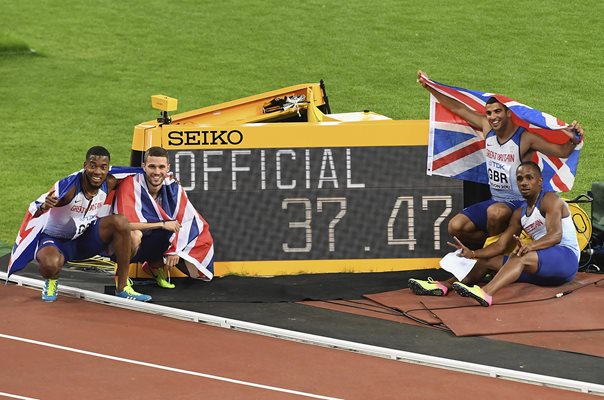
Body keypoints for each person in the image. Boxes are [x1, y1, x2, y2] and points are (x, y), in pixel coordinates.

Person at [417, 70, 584, 248]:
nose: (493, 117)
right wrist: (430, 87)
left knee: (495, 213)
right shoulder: (487, 127)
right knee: (455, 227)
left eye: (498, 112)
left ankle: (495, 257)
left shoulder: (525, 138)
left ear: (509, 113)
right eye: (489, 113)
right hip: (495, 199)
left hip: (519, 203)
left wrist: (574, 139)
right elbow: (458, 108)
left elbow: (561, 151)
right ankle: (499, 248)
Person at [408, 161, 580, 307]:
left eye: (529, 178)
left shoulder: (550, 200)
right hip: (544, 272)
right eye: (520, 179)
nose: (524, 183)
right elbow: (501, 245)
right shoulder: (519, 213)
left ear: (540, 181)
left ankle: (485, 293)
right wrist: (473, 254)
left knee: (519, 256)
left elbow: (555, 235)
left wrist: (530, 246)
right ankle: (444, 286)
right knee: (486, 261)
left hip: (566, 259)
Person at [25, 146, 151, 302]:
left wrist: (168, 179)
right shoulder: (69, 189)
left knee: (121, 223)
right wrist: (44, 206)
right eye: (93, 166)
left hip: (86, 239)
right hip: (56, 241)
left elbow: (137, 176)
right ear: (85, 165)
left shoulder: (109, 182)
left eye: (103, 167)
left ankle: (123, 286)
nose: (97, 172)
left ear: (108, 168)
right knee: (50, 265)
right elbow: (35, 209)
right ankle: (51, 280)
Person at [114, 146, 214, 288]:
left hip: (150, 241)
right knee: (135, 235)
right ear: (144, 167)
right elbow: (124, 225)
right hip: (118, 244)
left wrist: (175, 249)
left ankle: (154, 267)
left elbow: (187, 219)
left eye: (161, 167)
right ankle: (121, 278)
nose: (157, 172)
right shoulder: (130, 184)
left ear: (168, 168)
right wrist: (161, 224)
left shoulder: (173, 187)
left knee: (191, 257)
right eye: (152, 167)